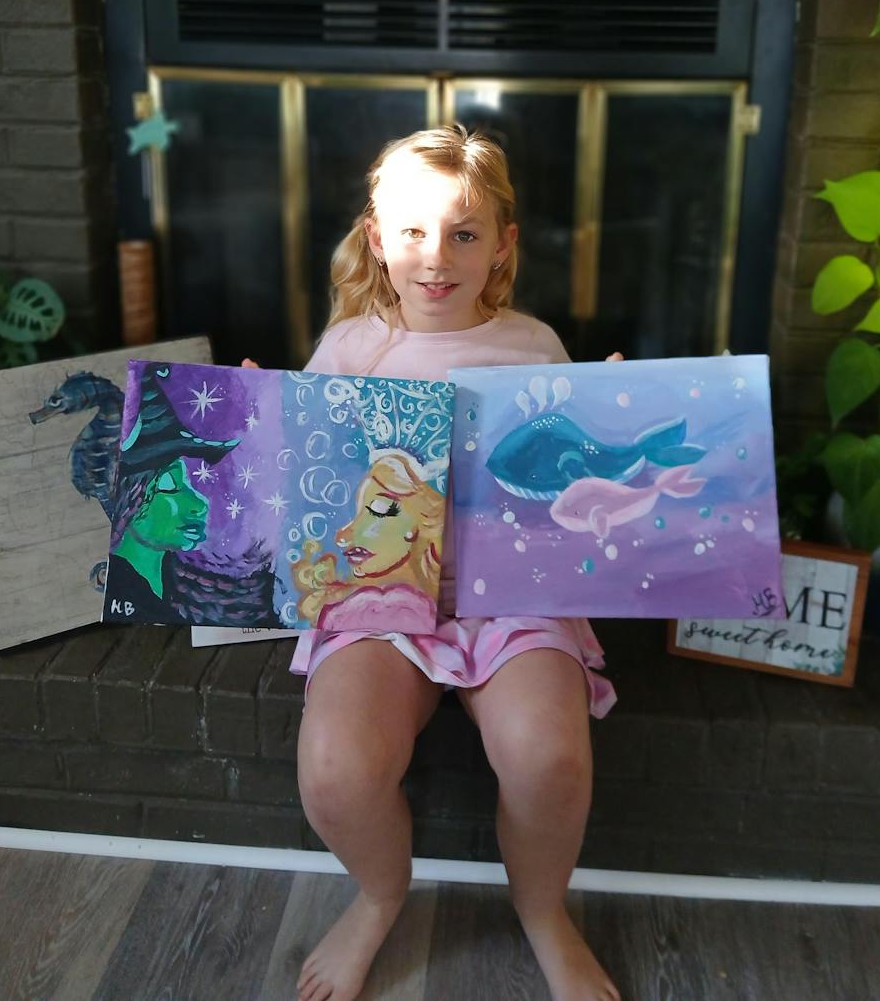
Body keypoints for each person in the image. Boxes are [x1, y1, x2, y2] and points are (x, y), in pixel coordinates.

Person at [247, 125, 621, 1001]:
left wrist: (616, 415)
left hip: (513, 595)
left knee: (549, 755)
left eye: (464, 233)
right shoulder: (352, 347)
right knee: (335, 764)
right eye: (414, 231)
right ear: (377, 238)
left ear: (503, 245)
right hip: (380, 590)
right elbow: (302, 489)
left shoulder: (534, 345)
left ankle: (543, 910)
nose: (437, 257)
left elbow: (572, 492)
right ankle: (379, 894)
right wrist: (257, 420)